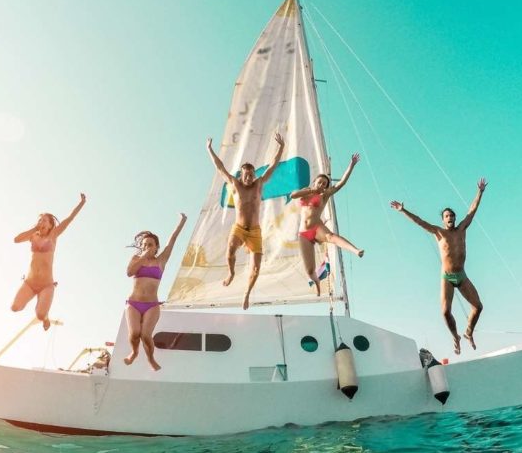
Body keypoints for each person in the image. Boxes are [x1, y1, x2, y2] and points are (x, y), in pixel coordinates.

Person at [390, 178, 488, 354]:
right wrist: (403, 210)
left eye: (452, 216)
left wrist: (479, 192)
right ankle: (455, 336)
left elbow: (472, 211)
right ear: (443, 220)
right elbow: (420, 222)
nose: (450, 218)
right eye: (447, 216)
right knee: (445, 312)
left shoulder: (462, 228)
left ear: (455, 218)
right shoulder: (439, 232)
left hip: (462, 276)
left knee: (478, 307)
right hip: (447, 277)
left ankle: (468, 333)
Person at [206, 133, 285, 310]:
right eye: (246, 175)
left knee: (256, 269)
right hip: (240, 228)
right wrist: (209, 149)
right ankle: (231, 273)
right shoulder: (235, 184)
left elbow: (273, 166)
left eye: (251, 174)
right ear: (241, 175)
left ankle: (247, 294)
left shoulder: (259, 184)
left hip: (255, 231)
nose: (249, 177)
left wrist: (281, 148)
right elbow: (220, 168)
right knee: (231, 249)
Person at [289, 153, 364, 296]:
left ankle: (355, 250)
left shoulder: (324, 195)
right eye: (320, 182)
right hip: (304, 233)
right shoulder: (306, 191)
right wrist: (311, 190)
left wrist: (351, 165)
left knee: (331, 236)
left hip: (317, 228)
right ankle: (316, 281)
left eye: (325, 184)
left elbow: (341, 183)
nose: (322, 185)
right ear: (315, 182)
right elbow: (293, 195)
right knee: (309, 270)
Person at [11, 194, 87, 330]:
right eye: (40, 220)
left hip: (46, 285)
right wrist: (34, 228)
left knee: (40, 315)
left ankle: (46, 318)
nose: (42, 222)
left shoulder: (54, 235)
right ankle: (39, 309)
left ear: (51, 224)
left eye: (45, 220)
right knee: (15, 307)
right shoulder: (33, 236)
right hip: (29, 283)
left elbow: (69, 219)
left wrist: (81, 203)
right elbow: (16, 239)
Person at [124, 213, 187, 371]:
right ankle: (134, 351)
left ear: (156, 247)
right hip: (133, 303)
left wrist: (182, 222)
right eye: (144, 245)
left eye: (150, 244)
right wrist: (143, 256)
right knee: (134, 334)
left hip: (151, 305)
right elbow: (129, 272)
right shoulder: (136, 259)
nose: (147, 247)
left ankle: (151, 359)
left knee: (146, 335)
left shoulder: (161, 260)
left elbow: (172, 240)